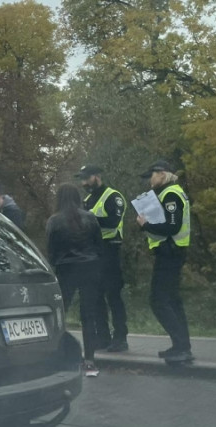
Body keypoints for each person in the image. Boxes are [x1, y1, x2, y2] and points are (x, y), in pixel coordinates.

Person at [137, 160, 192, 364]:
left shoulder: (170, 194)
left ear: (161, 174)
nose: (148, 181)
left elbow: (172, 226)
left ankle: (181, 346)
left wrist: (145, 225)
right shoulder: (170, 193)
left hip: (170, 252)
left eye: (150, 175)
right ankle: (181, 346)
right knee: (172, 301)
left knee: (158, 301)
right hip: (173, 252)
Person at [46, 184, 103, 377]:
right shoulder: (90, 217)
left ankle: (59, 357)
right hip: (90, 268)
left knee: (60, 314)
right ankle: (90, 361)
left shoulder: (54, 221)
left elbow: (51, 250)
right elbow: (99, 245)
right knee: (89, 316)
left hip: (66, 269)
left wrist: (56, 265)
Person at [77, 165, 129, 352]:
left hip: (110, 249)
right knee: (97, 296)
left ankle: (121, 337)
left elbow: (113, 223)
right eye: (81, 179)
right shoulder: (88, 199)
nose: (83, 183)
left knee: (113, 295)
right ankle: (103, 337)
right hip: (93, 252)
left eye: (86, 178)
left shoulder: (113, 197)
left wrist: (90, 220)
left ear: (97, 176)